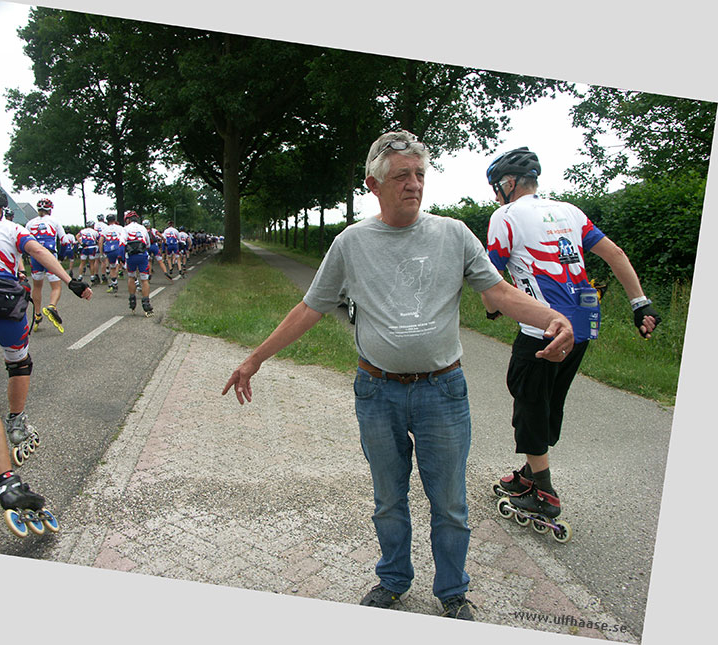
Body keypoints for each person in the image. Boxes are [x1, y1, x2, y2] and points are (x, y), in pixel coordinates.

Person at [223, 130, 574, 620]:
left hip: (443, 391)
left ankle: (453, 591)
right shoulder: (351, 243)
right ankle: (393, 581)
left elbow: (498, 294)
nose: (414, 184)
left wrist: (552, 317)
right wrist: (255, 358)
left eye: (420, 175)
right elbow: (310, 308)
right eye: (402, 175)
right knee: (389, 499)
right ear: (374, 183)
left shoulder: (453, 234)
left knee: (449, 503)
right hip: (377, 392)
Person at [483, 146, 660, 519]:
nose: (495, 195)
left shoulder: (506, 215)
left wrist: (492, 308)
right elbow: (617, 255)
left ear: (509, 184)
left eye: (496, 187)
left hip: (542, 327)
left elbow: (489, 274)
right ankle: (531, 474)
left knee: (529, 400)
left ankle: (544, 493)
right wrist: (640, 304)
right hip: (582, 324)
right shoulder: (571, 211)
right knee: (549, 400)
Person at [0, 183, 92, 465]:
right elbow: (40, 252)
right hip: (7, 304)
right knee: (19, 362)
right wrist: (72, 282)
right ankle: (17, 424)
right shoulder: (10, 228)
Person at [25, 198, 67, 333]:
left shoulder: (30, 223)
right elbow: (65, 241)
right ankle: (51, 307)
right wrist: (61, 256)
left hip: (35, 257)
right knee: (56, 286)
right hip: (49, 256)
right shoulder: (54, 221)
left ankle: (37, 314)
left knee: (37, 286)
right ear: (50, 209)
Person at [123, 211, 154, 316]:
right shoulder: (143, 228)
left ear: (127, 220)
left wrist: (121, 258)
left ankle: (132, 300)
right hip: (142, 256)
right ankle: (146, 303)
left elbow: (121, 244)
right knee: (144, 280)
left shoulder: (125, 229)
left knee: (131, 277)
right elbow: (148, 244)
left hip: (130, 257)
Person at [101, 213, 126, 294]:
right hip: (118, 248)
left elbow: (100, 241)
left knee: (112, 267)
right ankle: (136, 282)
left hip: (109, 250)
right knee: (124, 264)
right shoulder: (120, 228)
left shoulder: (105, 229)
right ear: (115, 220)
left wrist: (102, 253)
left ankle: (114, 284)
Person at [76, 220, 101, 285]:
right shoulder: (95, 232)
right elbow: (99, 240)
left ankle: (80, 276)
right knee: (92, 263)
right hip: (92, 247)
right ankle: (92, 277)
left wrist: (81, 243)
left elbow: (77, 236)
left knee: (82, 263)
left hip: (84, 247)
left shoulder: (83, 231)